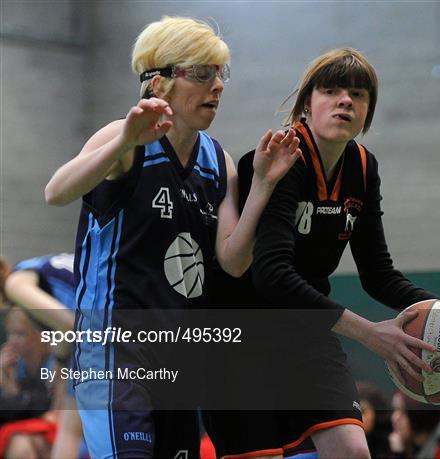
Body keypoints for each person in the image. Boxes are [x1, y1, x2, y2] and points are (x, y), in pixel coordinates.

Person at [206, 48, 440, 459]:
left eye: (358, 95)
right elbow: (271, 275)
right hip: (241, 335)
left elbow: (378, 273)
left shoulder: (362, 166)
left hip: (304, 331)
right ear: (307, 103)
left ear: (368, 111)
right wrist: (372, 334)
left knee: (352, 450)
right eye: (331, 90)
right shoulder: (279, 159)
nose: (345, 100)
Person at [44, 15, 300, 459]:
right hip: (114, 355)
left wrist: (261, 186)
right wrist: (124, 139)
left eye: (220, 74)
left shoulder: (217, 161)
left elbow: (233, 261)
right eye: (202, 74)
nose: (217, 85)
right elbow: (56, 191)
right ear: (158, 83)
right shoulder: (125, 139)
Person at [0, 253, 87, 459]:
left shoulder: (15, 285)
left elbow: (68, 324)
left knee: (68, 433)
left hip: (102, 335)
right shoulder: (32, 267)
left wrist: (59, 361)